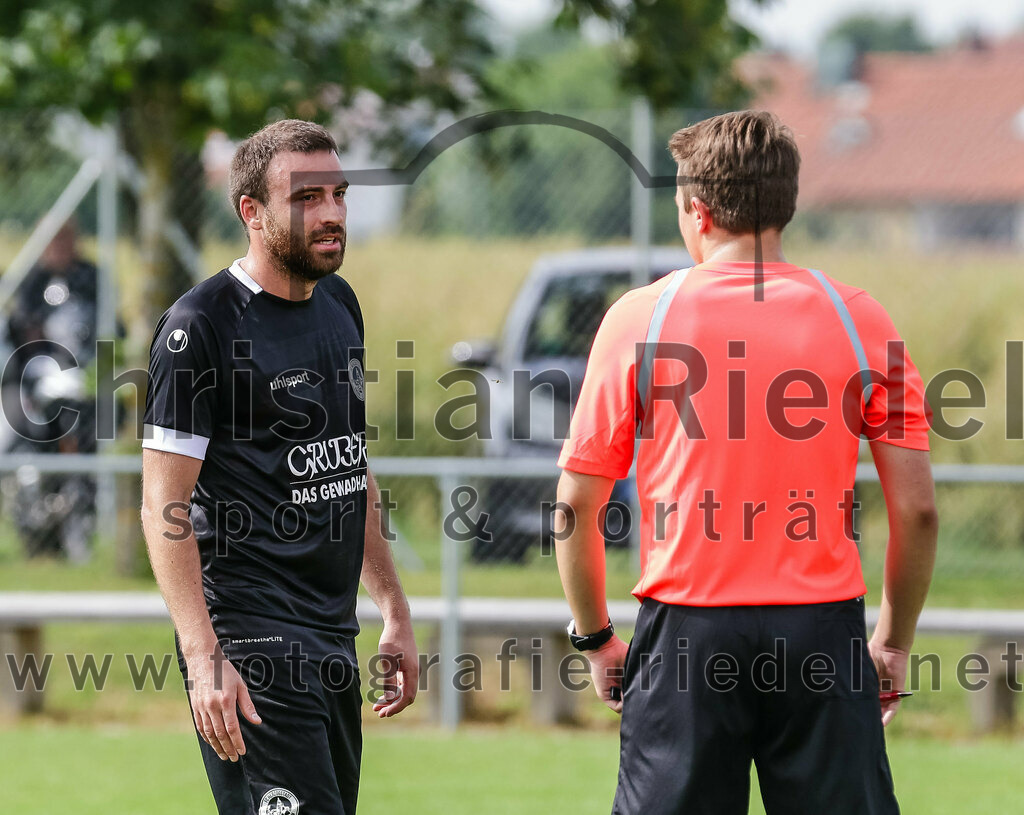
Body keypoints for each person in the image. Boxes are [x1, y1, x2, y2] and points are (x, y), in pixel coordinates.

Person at [554, 110, 937, 814]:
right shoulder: (861, 319)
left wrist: (596, 636)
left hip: (686, 632)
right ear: (783, 203)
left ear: (698, 211)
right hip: (821, 627)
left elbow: (576, 505)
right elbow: (917, 509)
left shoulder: (641, 318)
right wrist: (893, 641)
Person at [140, 119, 417, 815]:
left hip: (331, 633)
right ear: (252, 213)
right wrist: (205, 656)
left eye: (338, 194)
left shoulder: (339, 305)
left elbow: (349, 468)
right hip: (251, 637)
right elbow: (162, 503)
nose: (330, 213)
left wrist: (393, 606)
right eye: (306, 197)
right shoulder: (199, 325)